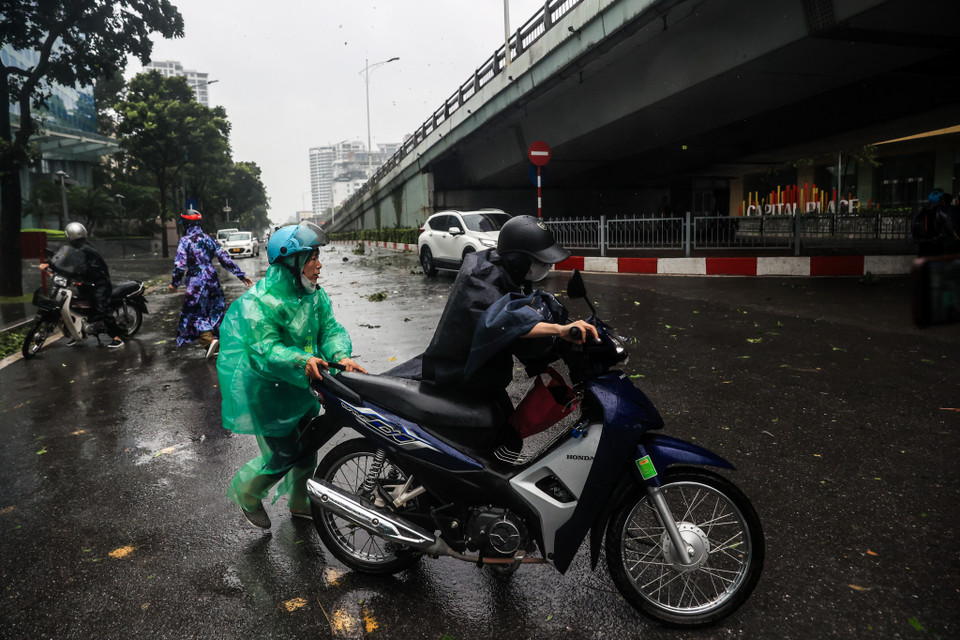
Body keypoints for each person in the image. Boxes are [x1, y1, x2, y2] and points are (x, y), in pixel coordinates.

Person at [389, 215, 596, 445]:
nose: (546, 267)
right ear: (519, 259)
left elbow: (526, 314)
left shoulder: (511, 274)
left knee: (510, 437)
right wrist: (558, 329)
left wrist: (566, 334)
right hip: (459, 379)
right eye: (540, 261)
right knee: (500, 441)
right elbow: (504, 320)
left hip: (486, 378)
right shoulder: (481, 278)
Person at [217, 222, 367, 529]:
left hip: (301, 386)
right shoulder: (261, 303)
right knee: (284, 454)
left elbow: (330, 330)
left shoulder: (314, 296)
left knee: (307, 448)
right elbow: (266, 349)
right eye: (312, 258)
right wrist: (302, 359)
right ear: (292, 262)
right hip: (268, 392)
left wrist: (341, 355)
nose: (319, 265)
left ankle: (301, 502)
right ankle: (247, 493)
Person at [167, 209, 252, 358]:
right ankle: (220, 341)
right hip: (212, 277)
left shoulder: (185, 241)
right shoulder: (209, 239)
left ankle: (209, 340)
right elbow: (224, 258)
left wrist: (175, 283)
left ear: (185, 224)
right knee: (216, 309)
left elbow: (180, 265)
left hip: (196, 280)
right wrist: (241, 275)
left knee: (194, 312)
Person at [39, 222, 125, 348]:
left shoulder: (85, 249)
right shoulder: (75, 247)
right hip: (86, 282)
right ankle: (79, 333)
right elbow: (63, 257)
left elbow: (77, 263)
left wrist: (58, 268)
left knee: (102, 308)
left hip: (99, 283)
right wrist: (50, 263)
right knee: (76, 306)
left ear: (70, 235)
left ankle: (117, 337)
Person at [911, 189, 959, 257]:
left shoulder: (924, 209)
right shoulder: (941, 209)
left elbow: (915, 220)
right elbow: (948, 223)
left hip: (924, 241)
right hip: (936, 241)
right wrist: (955, 234)